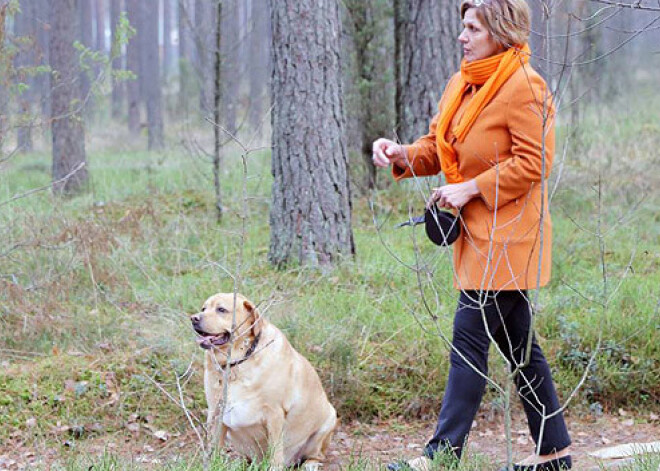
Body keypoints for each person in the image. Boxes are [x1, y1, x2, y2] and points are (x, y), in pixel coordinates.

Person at [373, 1, 572, 470]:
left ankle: (440, 458)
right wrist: (402, 152)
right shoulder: (462, 83)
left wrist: (470, 188)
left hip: (508, 241)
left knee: (468, 342)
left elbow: (533, 164)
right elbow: (441, 147)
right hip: (475, 239)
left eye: (472, 28)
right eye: (463, 26)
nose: (462, 36)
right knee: (521, 348)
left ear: (500, 31)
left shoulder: (527, 87)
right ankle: (556, 453)